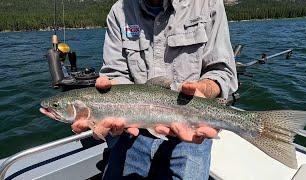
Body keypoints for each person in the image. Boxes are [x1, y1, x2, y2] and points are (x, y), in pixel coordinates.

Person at [72, 0, 238, 179]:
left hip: (191, 132)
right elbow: (116, 73)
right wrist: (109, 103)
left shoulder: (208, 4)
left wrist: (204, 89)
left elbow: (222, 71)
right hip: (133, 133)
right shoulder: (119, 11)